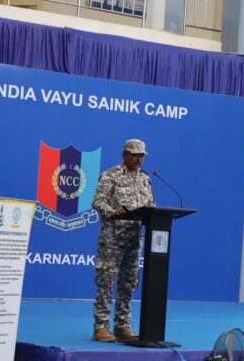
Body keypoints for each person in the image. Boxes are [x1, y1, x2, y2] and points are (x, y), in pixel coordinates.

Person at [91, 138, 155, 342]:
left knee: (129, 283)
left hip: (135, 239)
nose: (139, 159)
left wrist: (153, 214)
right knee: (106, 282)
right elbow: (97, 201)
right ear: (124, 154)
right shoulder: (111, 175)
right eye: (135, 155)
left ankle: (122, 326)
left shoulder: (145, 179)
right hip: (113, 238)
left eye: (142, 156)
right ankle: (101, 327)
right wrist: (113, 211)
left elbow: (151, 204)